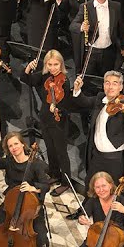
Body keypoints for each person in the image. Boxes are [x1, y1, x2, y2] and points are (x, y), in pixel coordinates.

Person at [69, 69, 124, 182]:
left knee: (110, 189)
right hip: (96, 156)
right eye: (107, 83)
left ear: (121, 87)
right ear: (103, 85)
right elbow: (85, 102)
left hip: (114, 159)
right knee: (90, 185)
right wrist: (77, 90)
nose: (110, 87)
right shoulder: (100, 98)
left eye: (114, 83)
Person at [20, 50, 74, 191]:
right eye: (50, 64)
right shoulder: (45, 76)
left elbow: (67, 103)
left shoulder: (65, 81)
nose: (53, 68)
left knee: (61, 152)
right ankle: (54, 174)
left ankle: (66, 182)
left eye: (56, 64)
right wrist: (28, 68)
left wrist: (57, 107)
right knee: (50, 148)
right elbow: (26, 79)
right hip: (45, 117)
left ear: (61, 64)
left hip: (59, 119)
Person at [69, 0, 124, 77]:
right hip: (91, 52)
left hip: (109, 52)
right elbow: (73, 26)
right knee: (87, 81)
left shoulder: (116, 6)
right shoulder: (86, 6)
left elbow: (122, 28)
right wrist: (82, 27)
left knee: (106, 81)